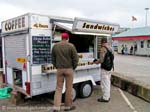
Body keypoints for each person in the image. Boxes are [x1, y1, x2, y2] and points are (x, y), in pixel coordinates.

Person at [52, 32, 79, 112]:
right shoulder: (71, 46)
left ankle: (56, 107)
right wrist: (73, 67)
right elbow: (76, 59)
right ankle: (68, 107)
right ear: (67, 38)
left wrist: (57, 66)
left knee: (58, 88)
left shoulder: (55, 46)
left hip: (59, 69)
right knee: (69, 88)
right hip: (69, 69)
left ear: (61, 38)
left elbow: (53, 58)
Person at [94, 37, 114, 102]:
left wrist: (96, 62)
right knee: (108, 82)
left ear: (102, 42)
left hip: (105, 69)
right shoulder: (111, 48)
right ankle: (107, 96)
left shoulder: (103, 49)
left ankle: (105, 98)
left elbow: (101, 60)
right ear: (106, 42)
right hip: (110, 68)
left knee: (104, 83)